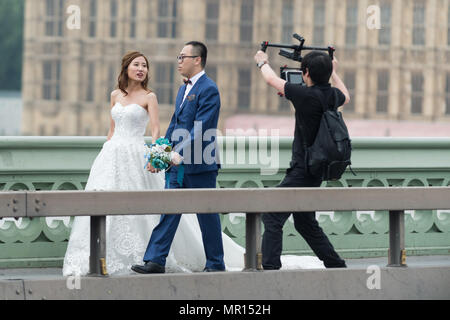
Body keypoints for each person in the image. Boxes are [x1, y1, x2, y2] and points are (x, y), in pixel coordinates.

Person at [63, 51, 244, 276]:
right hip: (144, 159)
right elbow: (169, 126)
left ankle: (215, 263)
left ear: (197, 59)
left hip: (196, 161)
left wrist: (170, 153)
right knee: (166, 209)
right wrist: (161, 154)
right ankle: (154, 260)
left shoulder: (204, 89)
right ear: (126, 68)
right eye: (137, 65)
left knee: (203, 213)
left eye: (182, 57)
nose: (178, 61)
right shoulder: (177, 89)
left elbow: (195, 127)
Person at [254, 49, 350, 270]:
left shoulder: (304, 95)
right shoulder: (332, 96)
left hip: (302, 170)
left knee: (271, 216)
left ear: (306, 73)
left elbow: (270, 79)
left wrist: (262, 61)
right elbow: (347, 95)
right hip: (318, 168)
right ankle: (336, 265)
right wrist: (334, 72)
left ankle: (270, 269)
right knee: (305, 223)